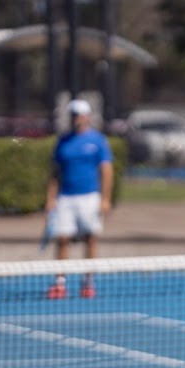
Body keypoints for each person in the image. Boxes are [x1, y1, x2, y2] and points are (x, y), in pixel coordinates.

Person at [44, 98, 114, 299]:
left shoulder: (98, 140)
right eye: (74, 114)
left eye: (80, 114)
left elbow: (107, 171)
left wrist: (105, 199)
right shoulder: (63, 141)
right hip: (66, 197)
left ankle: (88, 282)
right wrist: (51, 198)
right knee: (62, 239)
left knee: (90, 238)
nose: (77, 118)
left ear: (88, 117)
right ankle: (59, 282)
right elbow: (55, 172)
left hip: (90, 197)